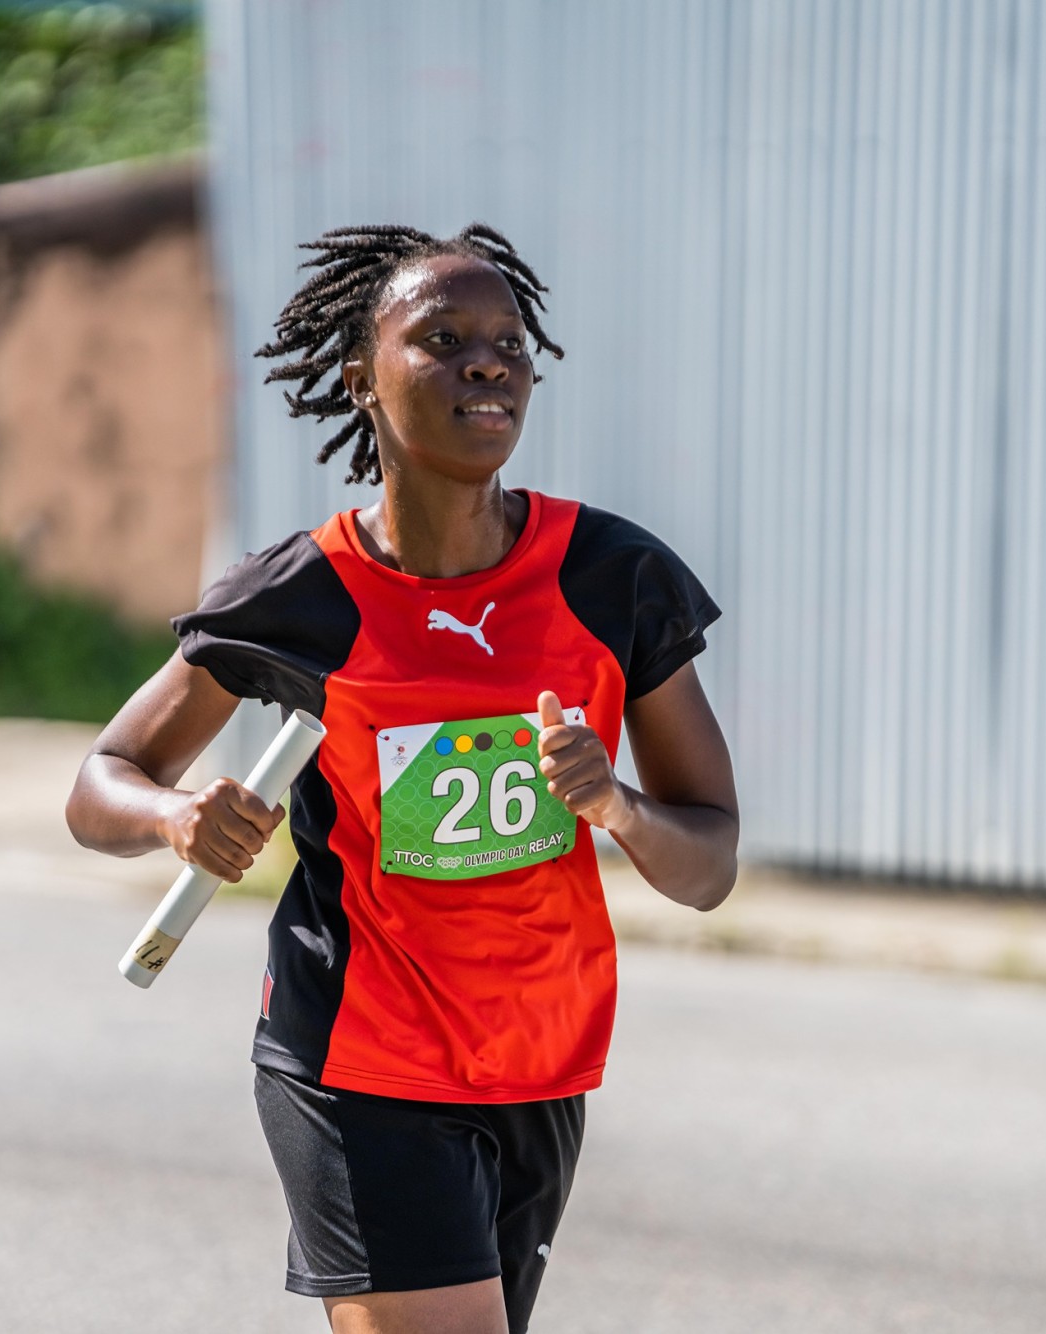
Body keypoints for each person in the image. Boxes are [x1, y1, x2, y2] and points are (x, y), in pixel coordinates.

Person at [65, 222, 739, 1334]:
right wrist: (175, 815)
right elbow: (102, 780)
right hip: (355, 1057)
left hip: (537, 1062)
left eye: (509, 344)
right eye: (442, 339)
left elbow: (709, 863)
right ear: (360, 381)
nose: (487, 364)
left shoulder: (611, 578)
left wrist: (614, 805)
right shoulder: (301, 596)